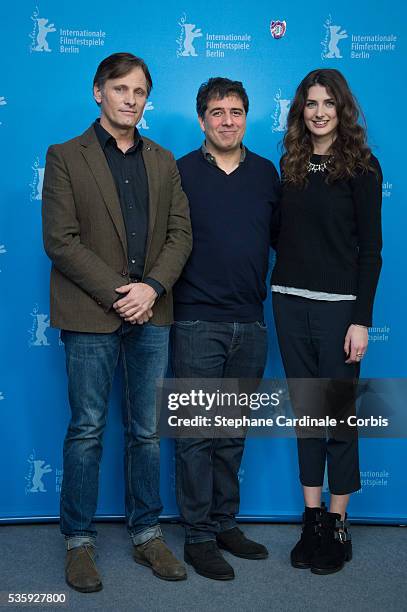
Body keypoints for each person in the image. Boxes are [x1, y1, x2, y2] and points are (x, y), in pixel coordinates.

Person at [42, 52, 192, 592]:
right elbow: (61, 240)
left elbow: (181, 235)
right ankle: (79, 543)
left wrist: (150, 289)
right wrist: (119, 294)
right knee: (86, 430)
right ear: (98, 92)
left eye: (140, 92)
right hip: (91, 315)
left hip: (152, 312)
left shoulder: (164, 160)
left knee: (147, 433)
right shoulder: (65, 156)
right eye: (121, 89)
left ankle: (147, 533)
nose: (131, 100)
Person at [271, 68, 382, 574]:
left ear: (343, 110)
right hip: (289, 303)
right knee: (308, 417)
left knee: (337, 417)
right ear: (301, 111)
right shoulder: (289, 164)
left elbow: (371, 251)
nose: (318, 112)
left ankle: (338, 523)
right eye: (310, 104)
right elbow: (281, 236)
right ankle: (312, 518)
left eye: (328, 104)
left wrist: (361, 320)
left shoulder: (362, 168)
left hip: (339, 308)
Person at [171, 77, 280, 580]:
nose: (227, 120)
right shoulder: (180, 172)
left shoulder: (265, 174)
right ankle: (197, 536)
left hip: (251, 324)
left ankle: (224, 522)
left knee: (231, 434)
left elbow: (282, 240)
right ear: (202, 119)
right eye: (217, 111)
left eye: (236, 111)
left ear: (246, 116)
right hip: (195, 321)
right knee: (196, 436)